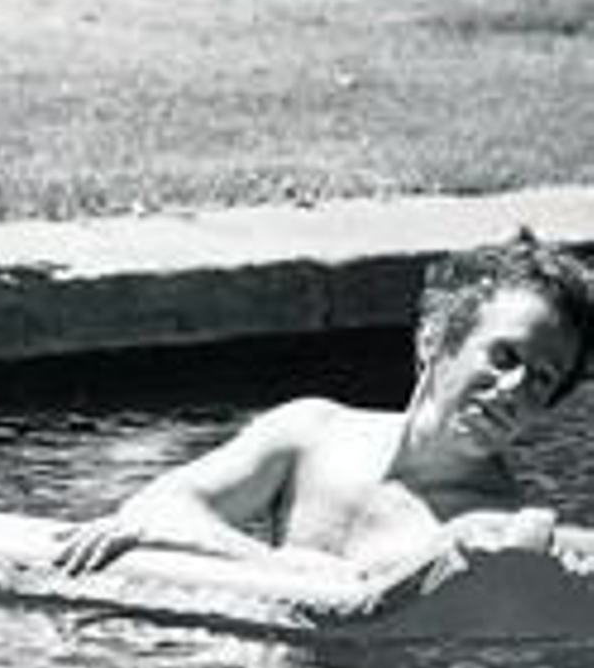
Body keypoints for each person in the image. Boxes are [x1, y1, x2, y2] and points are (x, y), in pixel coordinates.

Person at [50, 231, 594, 580]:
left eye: (542, 379)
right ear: (435, 339)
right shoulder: (312, 433)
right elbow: (160, 506)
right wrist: (280, 566)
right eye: (504, 356)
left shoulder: (492, 529)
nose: (516, 388)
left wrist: (232, 552)